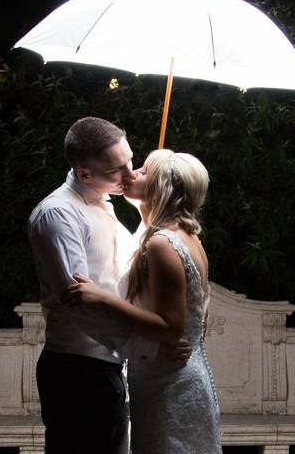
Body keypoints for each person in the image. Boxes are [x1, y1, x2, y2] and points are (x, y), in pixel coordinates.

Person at [28, 117, 185, 454]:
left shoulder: (104, 204)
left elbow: (126, 275)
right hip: (78, 372)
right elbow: (81, 304)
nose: (130, 174)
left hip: (110, 366)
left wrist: (147, 211)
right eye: (117, 169)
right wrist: (149, 350)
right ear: (84, 174)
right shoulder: (58, 215)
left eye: (131, 160)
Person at [64, 149, 222, 454]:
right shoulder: (175, 236)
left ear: (162, 187)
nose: (133, 173)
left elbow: (170, 327)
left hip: (169, 381)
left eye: (146, 171)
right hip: (168, 372)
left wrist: (102, 299)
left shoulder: (163, 244)